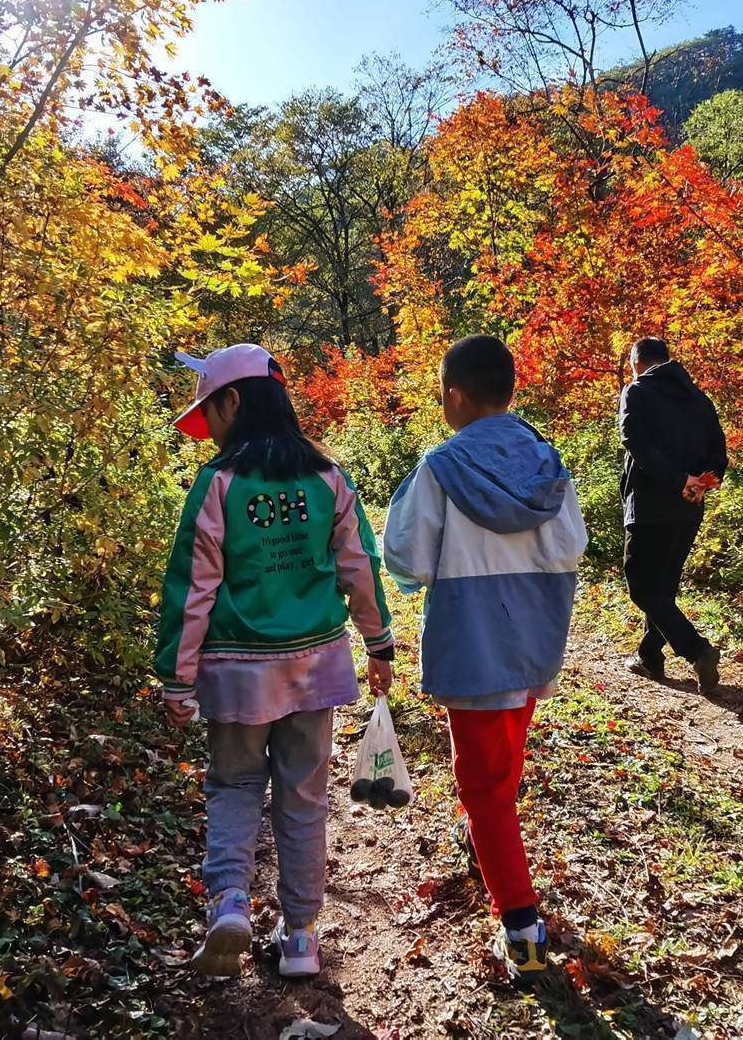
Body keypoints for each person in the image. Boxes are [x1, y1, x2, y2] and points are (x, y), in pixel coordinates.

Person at [154, 343, 394, 979]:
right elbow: (359, 568)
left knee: (232, 786)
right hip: (315, 669)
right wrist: (378, 642)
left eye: (212, 411)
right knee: (303, 798)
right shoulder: (327, 479)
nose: (210, 429)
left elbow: (192, 587)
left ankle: (230, 900)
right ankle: (301, 937)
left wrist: (177, 680)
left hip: (235, 673)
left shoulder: (219, 484)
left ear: (234, 401)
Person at [380, 335, 588, 989]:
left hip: (472, 647)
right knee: (501, 781)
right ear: (511, 391)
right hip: (532, 644)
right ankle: (496, 860)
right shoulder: (545, 459)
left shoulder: (440, 468)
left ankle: (521, 928)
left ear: (454, 395)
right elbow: (572, 544)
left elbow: (408, 560)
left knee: (483, 790)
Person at [618, 337, 729, 691]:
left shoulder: (636, 391)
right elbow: (719, 451)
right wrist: (702, 484)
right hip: (689, 508)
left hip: (650, 506)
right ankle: (650, 656)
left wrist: (678, 480)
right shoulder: (699, 399)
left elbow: (633, 440)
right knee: (663, 586)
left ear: (637, 363)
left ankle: (696, 650)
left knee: (640, 584)